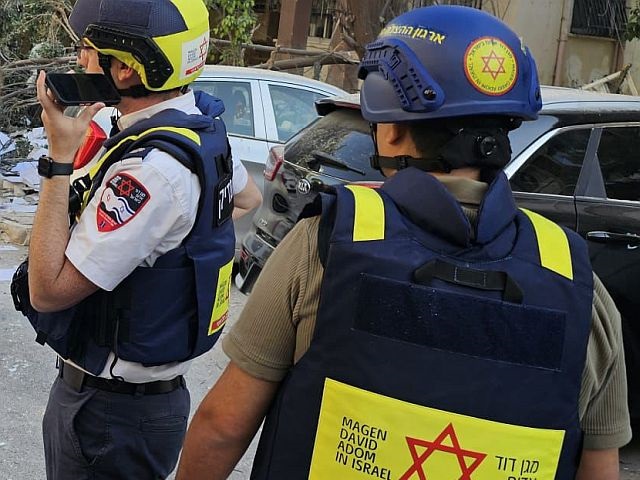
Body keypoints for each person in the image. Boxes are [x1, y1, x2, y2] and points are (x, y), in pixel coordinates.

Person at [176, 5, 632, 480]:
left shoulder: (324, 245)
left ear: (391, 129)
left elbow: (223, 427)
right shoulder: (578, 284)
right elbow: (599, 469)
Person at [16, 0, 238, 478]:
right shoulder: (198, 130)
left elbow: (47, 292)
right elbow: (248, 197)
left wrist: (58, 160)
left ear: (126, 69)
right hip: (140, 404)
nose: (79, 60)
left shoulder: (151, 171)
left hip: (109, 416)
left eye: (88, 49)